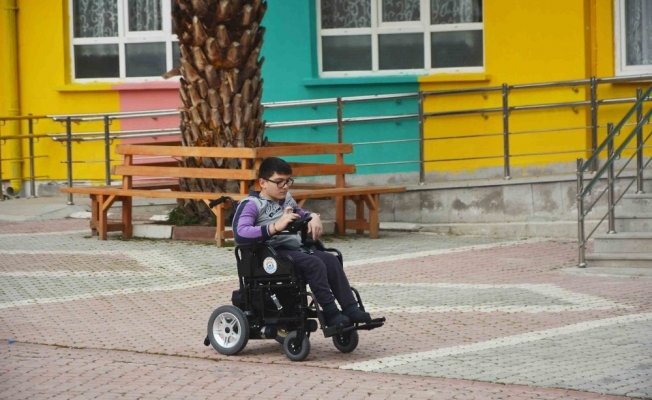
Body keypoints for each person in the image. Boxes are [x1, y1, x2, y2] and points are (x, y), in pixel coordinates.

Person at [232, 157, 372, 327]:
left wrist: (313, 216)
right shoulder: (252, 204)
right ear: (263, 182)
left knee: (331, 259)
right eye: (279, 182)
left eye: (287, 181)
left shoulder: (286, 199)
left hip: (293, 250)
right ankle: (331, 314)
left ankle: (351, 309)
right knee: (314, 263)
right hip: (268, 254)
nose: (285, 186)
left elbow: (301, 213)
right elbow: (240, 233)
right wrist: (275, 227)